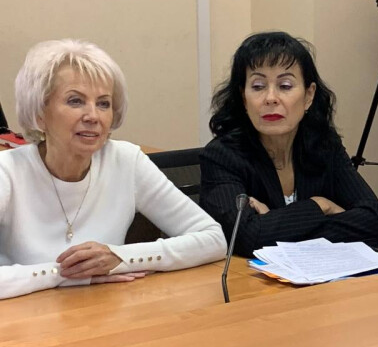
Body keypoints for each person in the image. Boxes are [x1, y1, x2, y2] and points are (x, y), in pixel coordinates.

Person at [0, 40, 227, 300]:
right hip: (23, 319)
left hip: (104, 311)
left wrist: (121, 257)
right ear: (40, 113)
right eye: (75, 101)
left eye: (103, 103)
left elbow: (213, 239)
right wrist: (60, 274)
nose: (93, 116)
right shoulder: (7, 171)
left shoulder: (126, 161)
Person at [200, 32, 378, 256]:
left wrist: (272, 223)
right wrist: (320, 206)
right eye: (258, 86)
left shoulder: (325, 146)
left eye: (285, 85)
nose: (270, 98)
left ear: (308, 96)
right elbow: (246, 238)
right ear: (243, 98)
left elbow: (373, 220)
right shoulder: (223, 156)